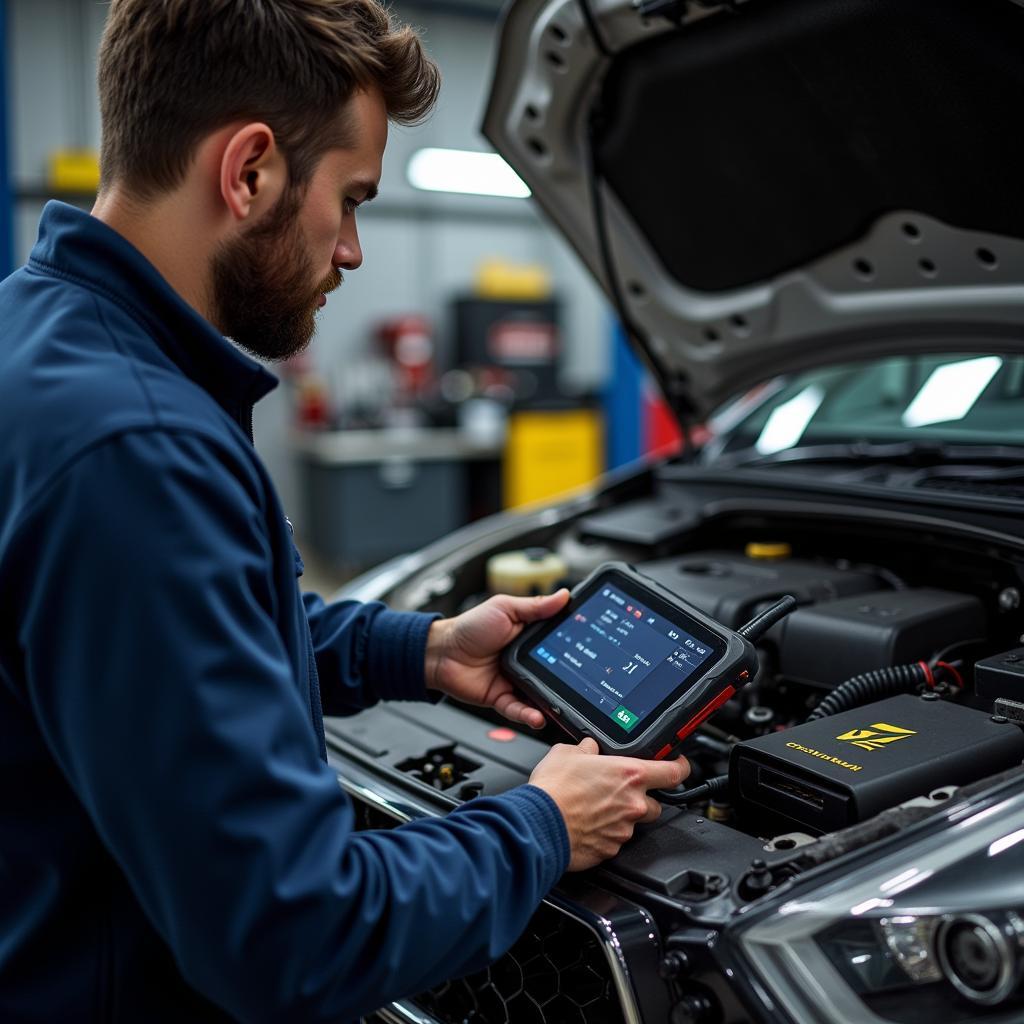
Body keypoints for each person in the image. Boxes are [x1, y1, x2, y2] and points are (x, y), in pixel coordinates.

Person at [0, 1, 689, 1021]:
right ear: (249, 171)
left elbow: (169, 640)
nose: (354, 250)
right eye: (353, 199)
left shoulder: (46, 337)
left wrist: (420, 648)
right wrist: (545, 821)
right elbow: (292, 936)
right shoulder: (138, 450)